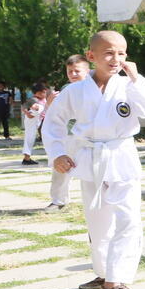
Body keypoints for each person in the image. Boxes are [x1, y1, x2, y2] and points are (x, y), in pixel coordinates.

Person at [42, 30, 145, 289]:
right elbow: (54, 122)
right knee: (98, 221)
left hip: (121, 156)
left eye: (121, 53)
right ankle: (104, 273)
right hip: (89, 157)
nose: (116, 58)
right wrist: (58, 153)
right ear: (91, 56)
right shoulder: (75, 90)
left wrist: (136, 78)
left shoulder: (129, 84)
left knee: (128, 219)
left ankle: (114, 283)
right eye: (108, 53)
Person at [46, 55, 91, 210]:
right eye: (69, 71)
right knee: (61, 167)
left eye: (77, 71)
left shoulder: (94, 88)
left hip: (89, 137)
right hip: (68, 136)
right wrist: (49, 104)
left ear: (87, 71)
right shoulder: (65, 90)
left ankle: (99, 202)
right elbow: (54, 116)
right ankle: (59, 200)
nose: (73, 74)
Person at [21, 82, 50, 165]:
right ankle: (26, 158)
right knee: (30, 137)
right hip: (32, 119)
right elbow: (24, 107)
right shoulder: (33, 99)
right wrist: (27, 113)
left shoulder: (43, 99)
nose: (44, 94)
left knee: (36, 137)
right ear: (37, 93)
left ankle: (27, 158)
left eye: (44, 92)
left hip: (38, 119)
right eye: (42, 92)